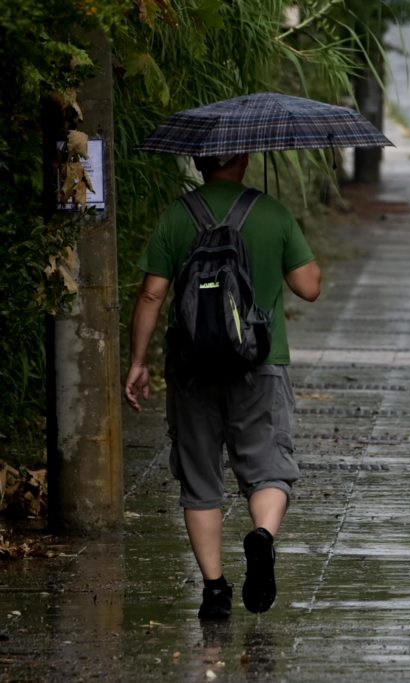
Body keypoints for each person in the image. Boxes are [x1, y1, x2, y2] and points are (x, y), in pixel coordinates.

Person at [124, 153, 321, 621]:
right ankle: (262, 537)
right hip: (259, 364)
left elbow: (152, 292)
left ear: (198, 159)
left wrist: (137, 362)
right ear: (247, 158)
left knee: (199, 480)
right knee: (270, 469)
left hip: (191, 368)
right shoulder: (271, 213)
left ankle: (214, 591)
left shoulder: (178, 214)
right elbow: (310, 287)